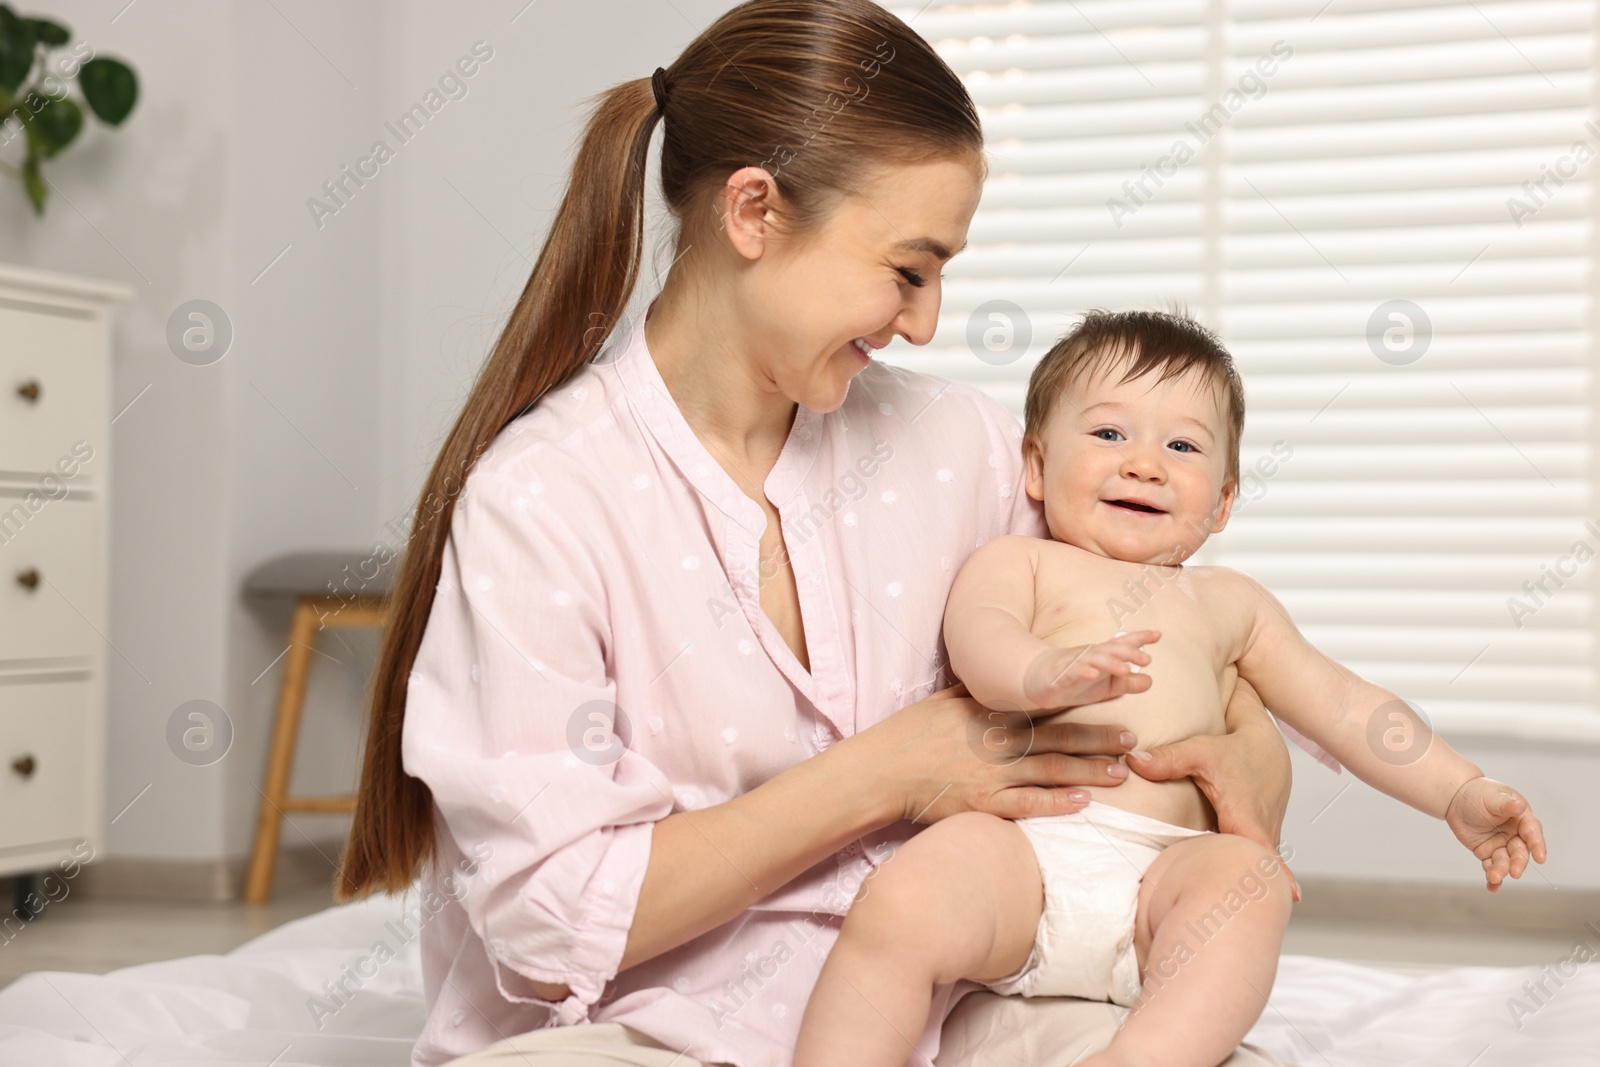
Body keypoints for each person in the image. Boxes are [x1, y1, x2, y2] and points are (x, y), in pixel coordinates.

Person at [336, 3, 1311, 1064]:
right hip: (639, 1024)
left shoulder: (963, 449)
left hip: (953, 1003)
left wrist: (1242, 760)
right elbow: (549, 920)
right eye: (907, 268)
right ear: (753, 210)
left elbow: (1176, 653)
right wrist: (881, 773)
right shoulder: (542, 499)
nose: (927, 320)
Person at [791, 310, 1550, 1067]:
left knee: (1247, 883)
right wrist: (1046, 672)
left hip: (1165, 873)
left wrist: (1458, 790)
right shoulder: (1021, 561)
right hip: (1026, 852)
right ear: (1035, 465)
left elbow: (1347, 704)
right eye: (1109, 434)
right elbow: (981, 640)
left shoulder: (1231, 603)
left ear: (1221, 501)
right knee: (908, 896)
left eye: (1182, 445)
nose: (1145, 464)